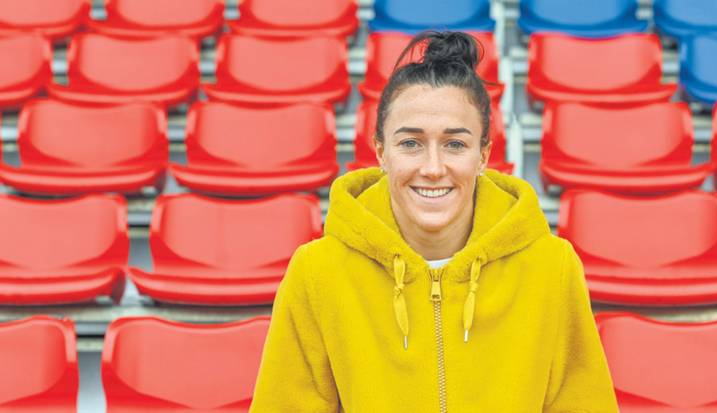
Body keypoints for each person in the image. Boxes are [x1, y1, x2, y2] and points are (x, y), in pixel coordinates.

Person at [249, 31, 618, 412]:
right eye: (410, 143)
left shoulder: (552, 267)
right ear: (381, 152)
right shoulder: (317, 272)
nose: (433, 168)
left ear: (483, 155)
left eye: (455, 144)